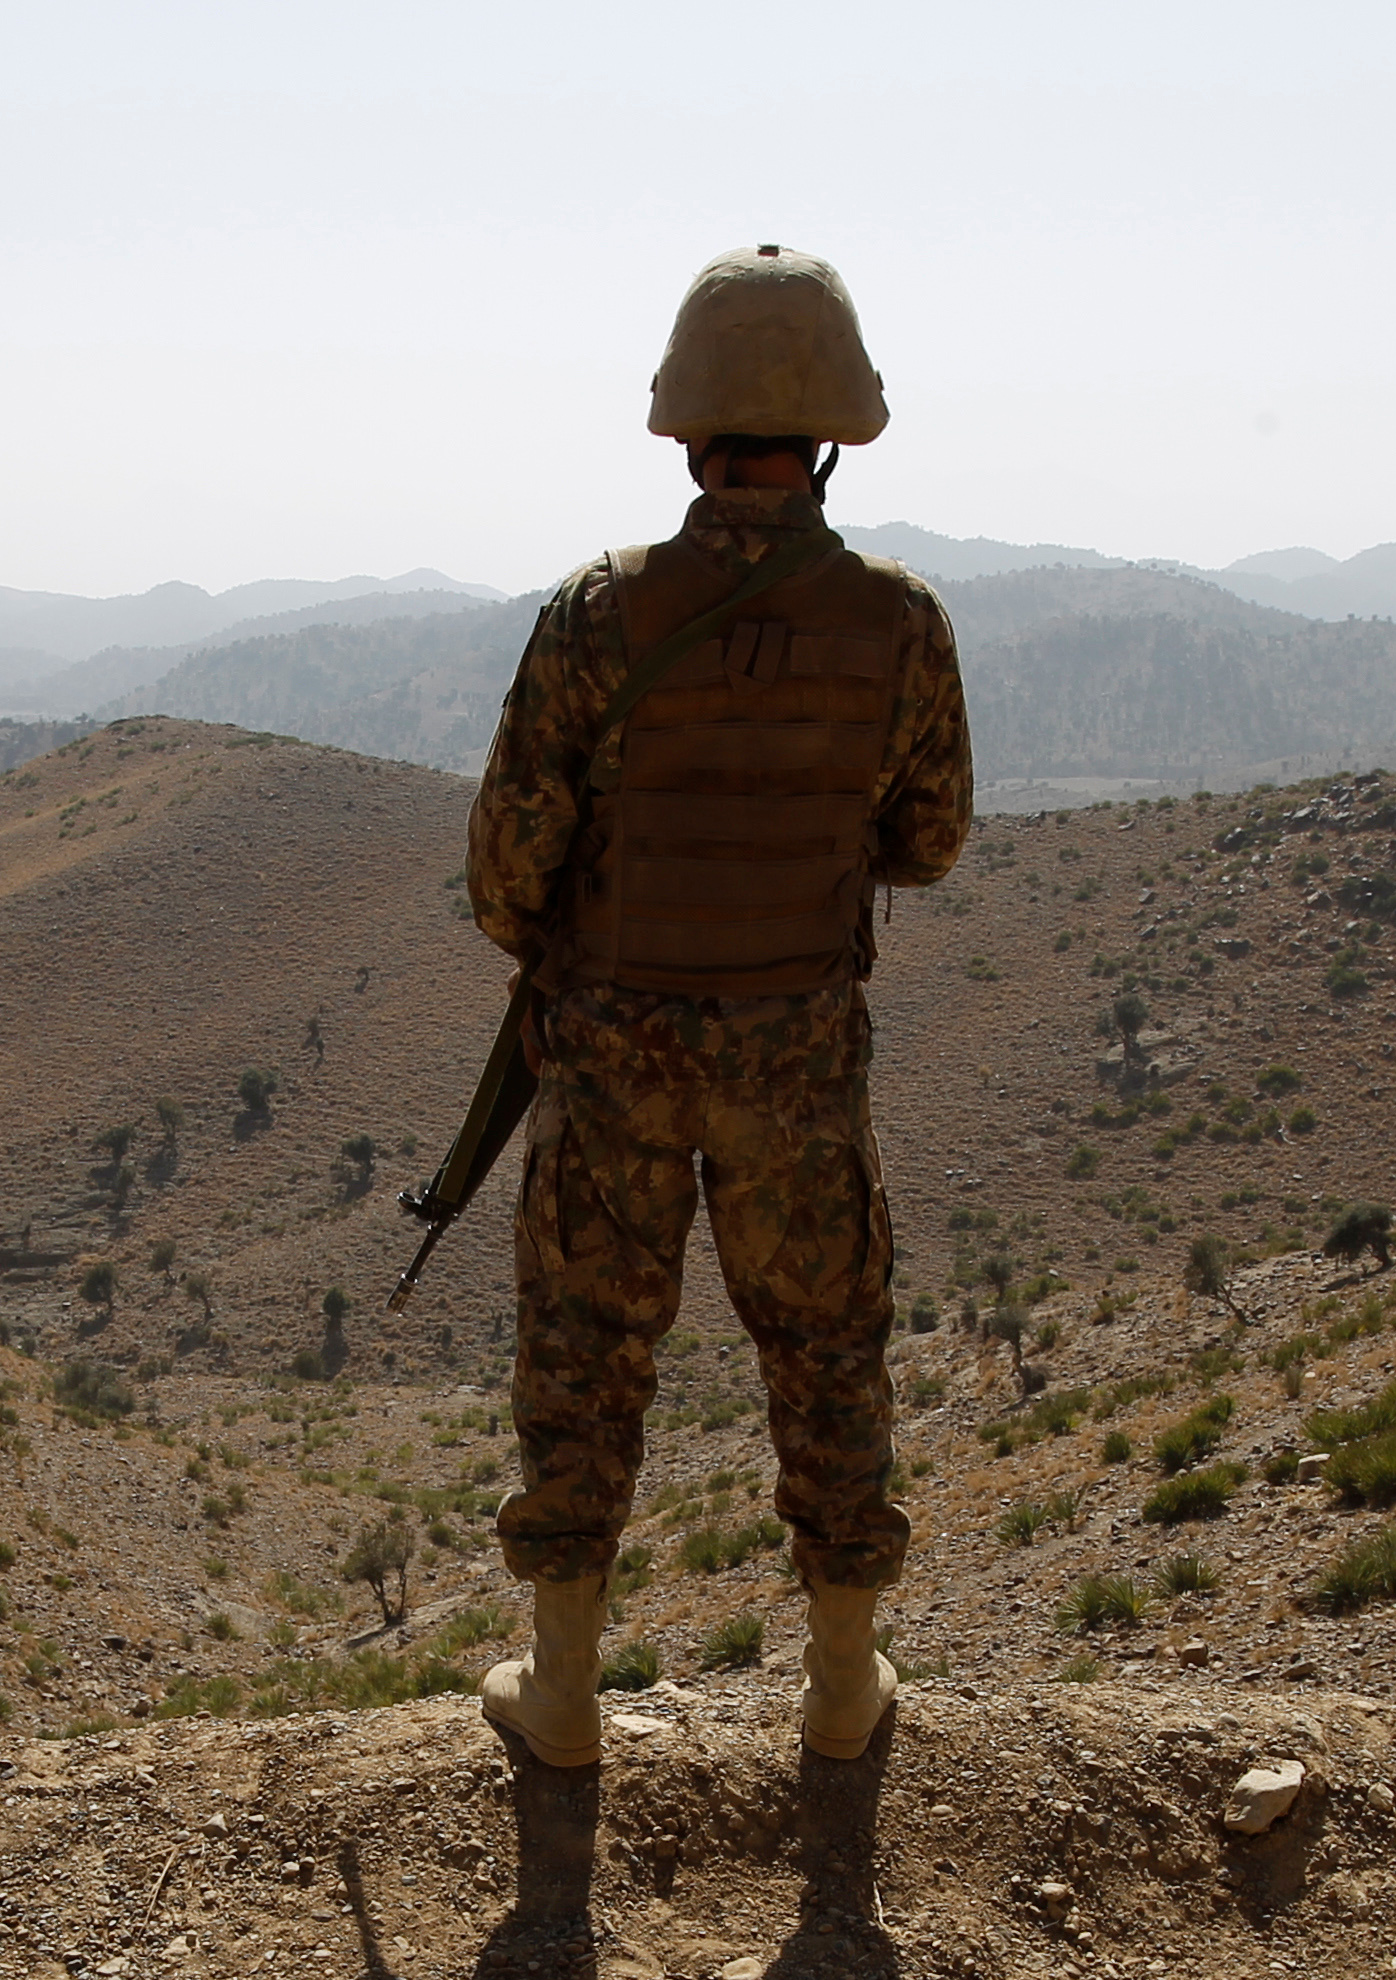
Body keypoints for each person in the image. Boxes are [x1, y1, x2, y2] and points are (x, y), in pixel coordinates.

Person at [462, 244, 972, 1771]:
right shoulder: (901, 625)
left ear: (688, 430)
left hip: (613, 1056)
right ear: (828, 438)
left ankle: (561, 1696)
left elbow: (504, 880)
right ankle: (839, 1685)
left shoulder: (594, 618)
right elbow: (929, 845)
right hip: (799, 1062)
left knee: (586, 1349)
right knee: (824, 1351)